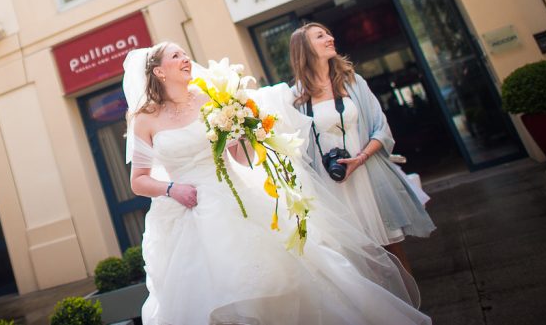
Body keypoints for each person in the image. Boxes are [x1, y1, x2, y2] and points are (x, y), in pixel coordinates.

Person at [125, 41, 431, 325]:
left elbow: (241, 160)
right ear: (159, 71)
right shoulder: (145, 119)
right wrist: (171, 189)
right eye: (176, 55)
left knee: (283, 277)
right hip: (184, 212)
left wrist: (245, 135)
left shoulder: (212, 101)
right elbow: (138, 181)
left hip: (235, 199)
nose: (185, 59)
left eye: (185, 53)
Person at [288, 22, 435, 274]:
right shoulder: (295, 96)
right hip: (330, 186)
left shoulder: (354, 82)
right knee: (354, 259)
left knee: (393, 250)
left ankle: (411, 307)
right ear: (305, 49)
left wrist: (360, 158)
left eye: (328, 33)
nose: (330, 38)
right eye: (320, 36)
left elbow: (381, 128)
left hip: (367, 174)